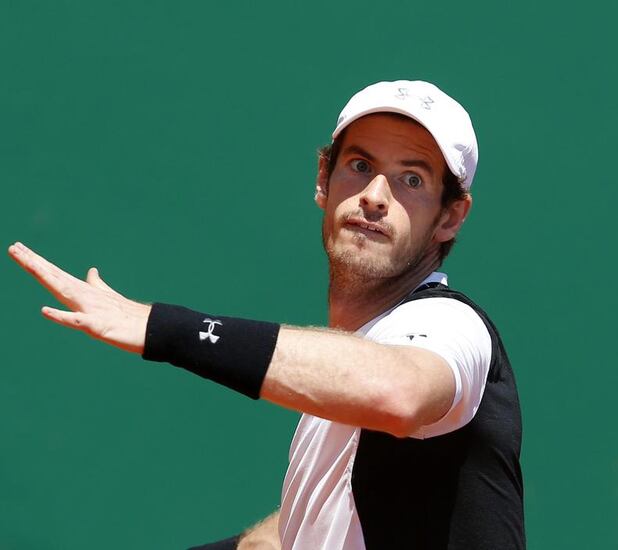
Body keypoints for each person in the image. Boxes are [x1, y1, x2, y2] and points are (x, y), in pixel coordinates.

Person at [8, 80, 525, 549]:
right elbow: (287, 540)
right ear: (325, 179)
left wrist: (166, 328)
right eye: (361, 167)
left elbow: (398, 391)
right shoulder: (336, 396)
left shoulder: (451, 326)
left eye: (411, 180)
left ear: (450, 216)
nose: (374, 198)